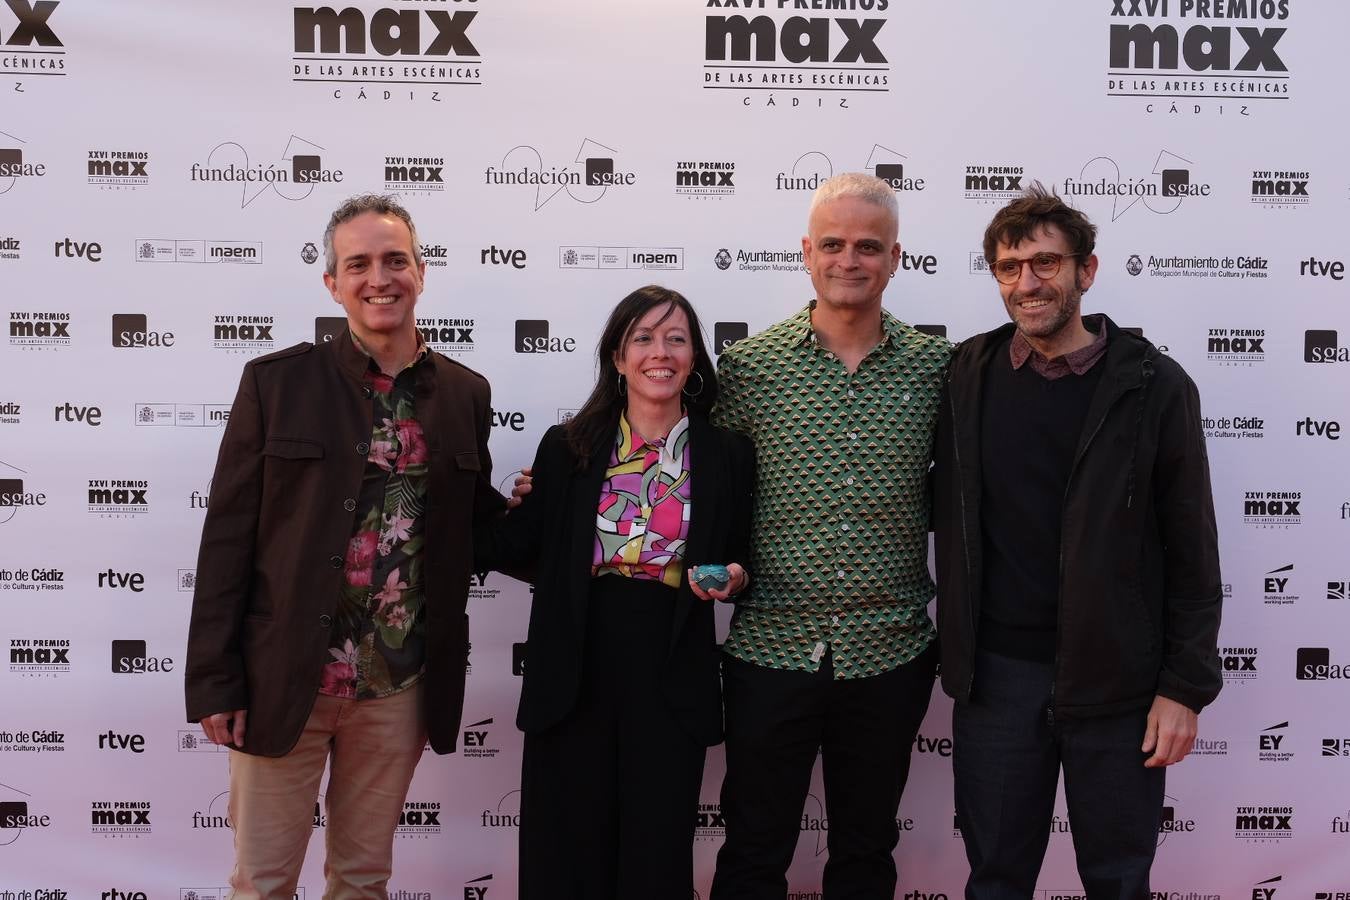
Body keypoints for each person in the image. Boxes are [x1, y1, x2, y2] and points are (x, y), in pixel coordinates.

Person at [184, 194, 504, 899]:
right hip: (282, 680)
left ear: (421, 272)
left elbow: (476, 528)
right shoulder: (277, 384)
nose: (378, 278)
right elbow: (229, 536)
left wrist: (559, 507)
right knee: (263, 882)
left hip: (398, 685)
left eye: (395, 260)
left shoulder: (463, 394)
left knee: (362, 879)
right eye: (357, 264)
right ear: (333, 283)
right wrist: (215, 678)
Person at [932, 183, 1223, 898]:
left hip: (1119, 686)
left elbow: (1193, 551)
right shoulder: (965, 375)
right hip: (996, 683)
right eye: (1008, 267)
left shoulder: (1154, 386)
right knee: (995, 878)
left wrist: (1183, 687)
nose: (1026, 283)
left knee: (1118, 881)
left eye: (1045, 264)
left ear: (1085, 272)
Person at [708, 173, 951, 899]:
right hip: (769, 650)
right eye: (835, 244)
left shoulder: (939, 369)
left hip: (890, 651)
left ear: (896, 258)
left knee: (866, 852)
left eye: (868, 247)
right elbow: (701, 491)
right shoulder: (749, 369)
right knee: (753, 850)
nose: (851, 260)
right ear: (806, 252)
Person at [476, 284, 754, 900]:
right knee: (565, 853)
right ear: (618, 357)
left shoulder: (727, 453)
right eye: (644, 338)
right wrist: (449, 486)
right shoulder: (568, 448)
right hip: (574, 666)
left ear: (694, 358)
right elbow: (515, 543)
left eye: (676, 338)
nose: (662, 352)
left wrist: (733, 577)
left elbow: (744, 558)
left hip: (671, 667)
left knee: (655, 856)